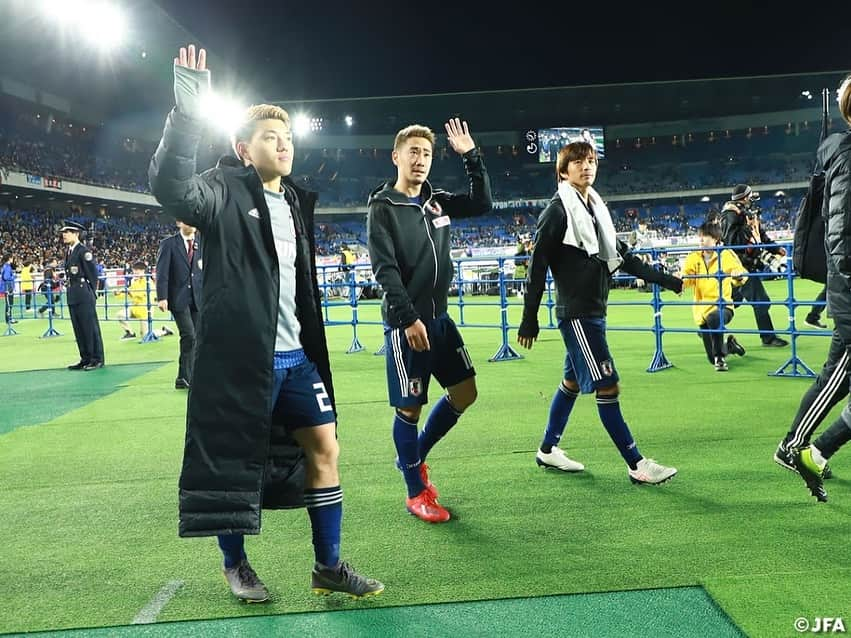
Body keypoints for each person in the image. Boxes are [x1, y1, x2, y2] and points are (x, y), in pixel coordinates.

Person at [148, 44, 382, 603]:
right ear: (242, 149)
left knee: (325, 449)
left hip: (296, 359)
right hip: (238, 363)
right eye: (271, 138)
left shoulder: (297, 202)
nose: (284, 144)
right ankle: (236, 564)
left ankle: (328, 566)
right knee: (233, 463)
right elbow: (170, 188)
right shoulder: (220, 191)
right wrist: (186, 107)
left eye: (289, 138)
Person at [517, 141, 682, 484]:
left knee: (571, 381)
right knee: (609, 386)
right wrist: (529, 317)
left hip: (593, 311)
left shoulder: (595, 210)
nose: (586, 166)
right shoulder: (558, 211)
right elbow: (536, 266)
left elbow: (624, 256)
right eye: (577, 162)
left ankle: (548, 450)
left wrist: (666, 280)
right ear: (563, 171)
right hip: (577, 314)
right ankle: (636, 464)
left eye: (590, 160)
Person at [367, 118, 493, 523]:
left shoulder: (435, 201)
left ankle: (414, 456)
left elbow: (482, 203)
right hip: (408, 325)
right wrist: (407, 319)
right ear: (396, 157)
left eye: (426, 153)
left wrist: (471, 157)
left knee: (466, 392)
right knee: (409, 408)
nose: (420, 160)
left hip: (440, 320)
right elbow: (384, 269)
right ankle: (415, 491)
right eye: (413, 152)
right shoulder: (383, 206)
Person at [778, 74, 851, 502]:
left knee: (835, 373)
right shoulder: (847, 154)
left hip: (844, 287)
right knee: (838, 375)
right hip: (850, 288)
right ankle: (795, 447)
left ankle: (810, 448)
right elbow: (842, 233)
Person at [721, 184, 788, 347]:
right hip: (740, 267)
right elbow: (730, 243)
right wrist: (746, 260)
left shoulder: (747, 215)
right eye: (750, 197)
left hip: (746, 266)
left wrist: (776, 248)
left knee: (732, 301)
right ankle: (768, 338)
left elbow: (760, 237)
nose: (753, 200)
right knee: (761, 301)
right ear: (744, 198)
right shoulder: (731, 213)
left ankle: (709, 326)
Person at [680, 222, 748, 372]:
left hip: (723, 307)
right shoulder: (693, 257)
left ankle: (720, 358)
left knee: (714, 319)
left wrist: (737, 276)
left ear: (716, 238)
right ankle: (729, 346)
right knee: (710, 357)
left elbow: (741, 274)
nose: (701, 240)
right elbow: (687, 279)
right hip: (701, 311)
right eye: (700, 236)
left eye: (706, 236)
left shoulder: (726, 254)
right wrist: (678, 282)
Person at [156, 221, 202, 389]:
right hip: (178, 299)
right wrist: (162, 297)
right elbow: (162, 272)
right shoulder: (168, 244)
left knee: (198, 337)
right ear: (178, 223)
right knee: (189, 335)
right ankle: (184, 376)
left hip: (198, 299)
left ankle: (190, 376)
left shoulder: (201, 243)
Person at [60, 221, 104, 370]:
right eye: (64, 232)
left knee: (89, 327)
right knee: (78, 327)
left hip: (83, 292)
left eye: (67, 232)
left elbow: (92, 274)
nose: (64, 235)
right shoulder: (70, 251)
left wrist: (91, 292)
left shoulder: (83, 251)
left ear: (76, 234)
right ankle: (85, 358)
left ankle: (96, 358)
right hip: (73, 292)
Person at [115, 261, 173, 340]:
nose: (135, 274)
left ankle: (164, 331)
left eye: (137, 273)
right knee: (120, 315)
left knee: (145, 335)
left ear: (143, 271)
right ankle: (130, 333)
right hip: (134, 308)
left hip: (145, 310)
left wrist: (129, 292)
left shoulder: (148, 282)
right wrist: (118, 293)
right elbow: (130, 292)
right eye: (134, 272)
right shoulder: (135, 281)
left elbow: (142, 294)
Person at [1, 255, 16, 324]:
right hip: (8, 287)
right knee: (9, 303)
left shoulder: (5, 266)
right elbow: (6, 277)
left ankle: (9, 318)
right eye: (12, 258)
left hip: (8, 286)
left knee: (10, 303)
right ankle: (8, 319)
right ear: (9, 258)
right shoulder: (7, 267)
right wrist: (13, 277)